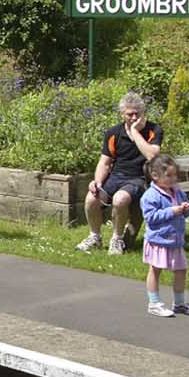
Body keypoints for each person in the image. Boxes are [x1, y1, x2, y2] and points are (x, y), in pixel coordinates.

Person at [76, 92, 163, 255]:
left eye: (138, 113)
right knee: (91, 198)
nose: (134, 117)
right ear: (122, 114)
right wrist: (98, 182)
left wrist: (135, 132)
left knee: (120, 199)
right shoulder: (113, 133)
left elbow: (152, 155)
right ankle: (95, 236)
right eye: (130, 114)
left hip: (140, 178)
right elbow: (104, 162)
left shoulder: (154, 130)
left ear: (144, 113)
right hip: (116, 177)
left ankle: (117, 239)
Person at [139, 152, 189, 317]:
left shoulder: (177, 192)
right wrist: (172, 211)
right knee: (155, 270)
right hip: (159, 240)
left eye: (175, 175)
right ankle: (154, 303)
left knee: (181, 270)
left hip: (176, 240)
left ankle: (179, 303)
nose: (173, 179)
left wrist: (186, 209)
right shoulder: (150, 196)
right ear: (155, 175)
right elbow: (150, 218)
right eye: (169, 175)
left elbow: (184, 214)